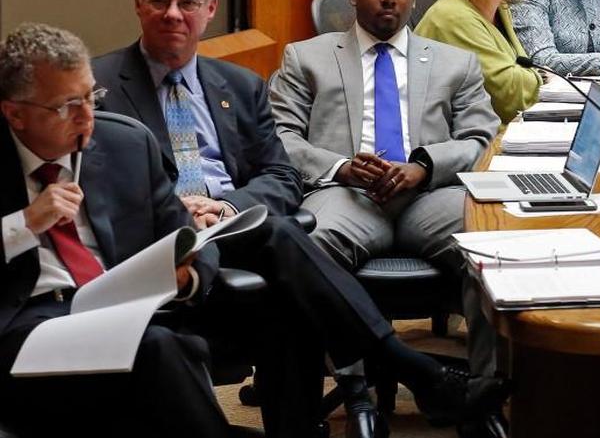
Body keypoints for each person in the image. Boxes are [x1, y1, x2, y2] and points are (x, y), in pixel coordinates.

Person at [0, 23, 502, 438]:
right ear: (15, 114)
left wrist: (188, 275)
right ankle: (418, 372)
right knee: (161, 348)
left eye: (92, 96)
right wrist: (25, 224)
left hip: (133, 297)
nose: (89, 116)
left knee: (284, 282)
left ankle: (387, 376)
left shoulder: (121, 141)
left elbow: (181, 237)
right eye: (67, 106)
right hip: (38, 322)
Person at [269, 0, 502, 381]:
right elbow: (279, 138)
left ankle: (485, 389)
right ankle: (352, 382)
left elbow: (482, 138)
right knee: (308, 245)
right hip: (345, 194)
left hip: (430, 196)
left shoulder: (455, 62)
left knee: (492, 244)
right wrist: (341, 167)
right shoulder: (306, 58)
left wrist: (425, 166)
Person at [414, 0, 542, 125]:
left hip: (492, 127)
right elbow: (512, 97)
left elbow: (521, 75)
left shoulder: (499, 7)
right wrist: (539, 79)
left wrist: (533, 79)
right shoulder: (452, 16)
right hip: (456, 139)